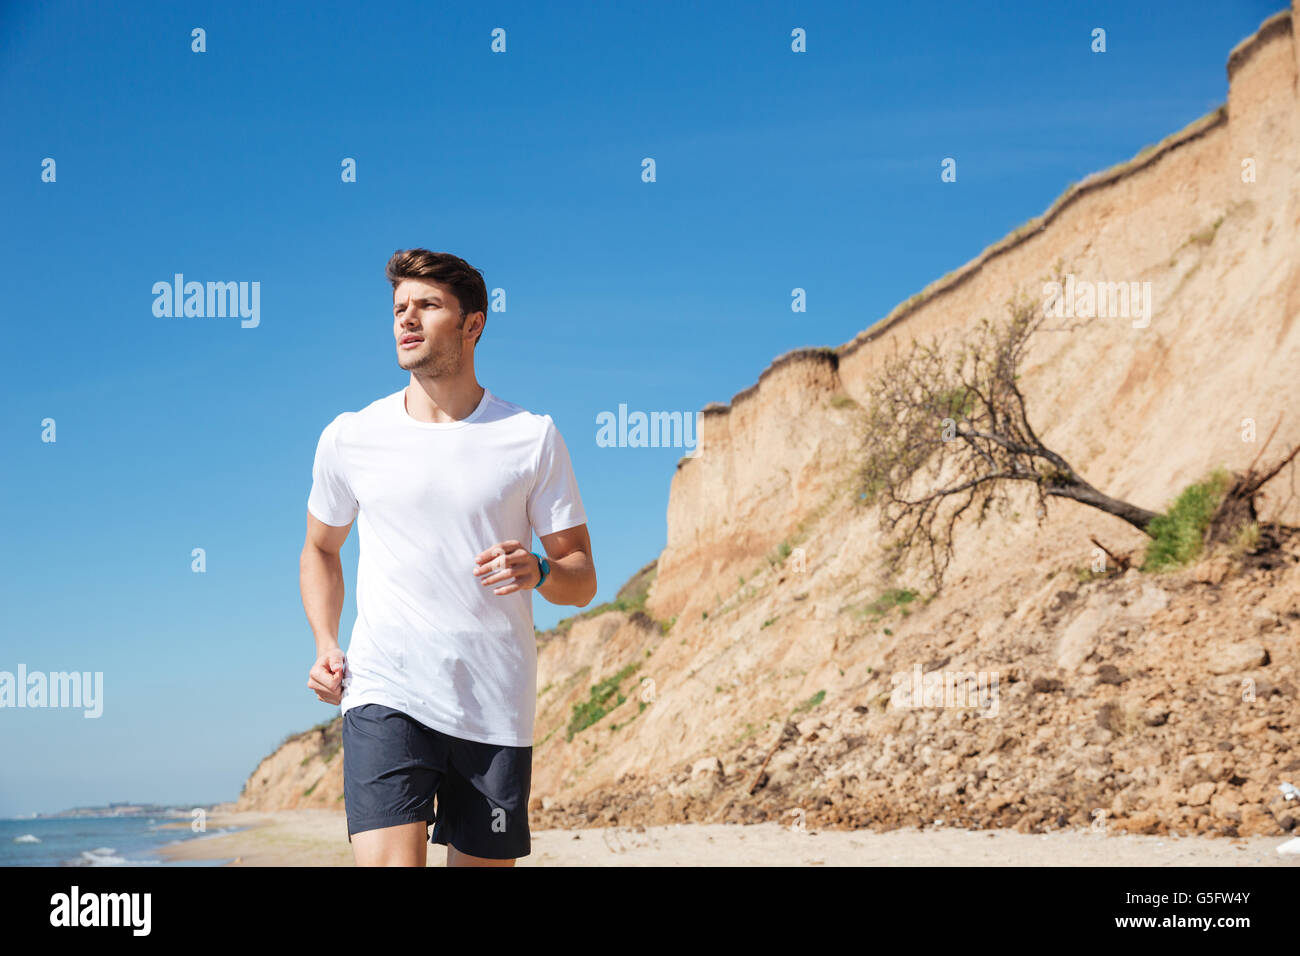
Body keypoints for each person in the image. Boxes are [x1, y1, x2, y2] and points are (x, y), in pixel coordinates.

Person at [299, 248, 596, 867]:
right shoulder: (351, 436)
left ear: (472, 324)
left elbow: (581, 579)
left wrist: (539, 570)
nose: (407, 319)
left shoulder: (530, 436)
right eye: (399, 308)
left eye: (427, 306)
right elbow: (321, 549)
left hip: (493, 704)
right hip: (385, 691)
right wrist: (325, 641)